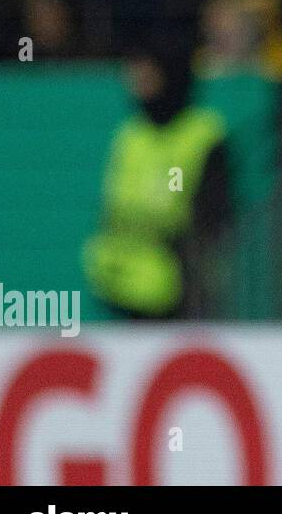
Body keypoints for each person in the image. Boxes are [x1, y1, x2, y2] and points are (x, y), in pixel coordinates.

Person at [83, 32, 232, 318]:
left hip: (179, 287)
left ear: (167, 72)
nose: (136, 78)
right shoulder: (130, 133)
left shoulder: (203, 132)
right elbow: (112, 205)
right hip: (115, 280)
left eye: (145, 69)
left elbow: (212, 215)